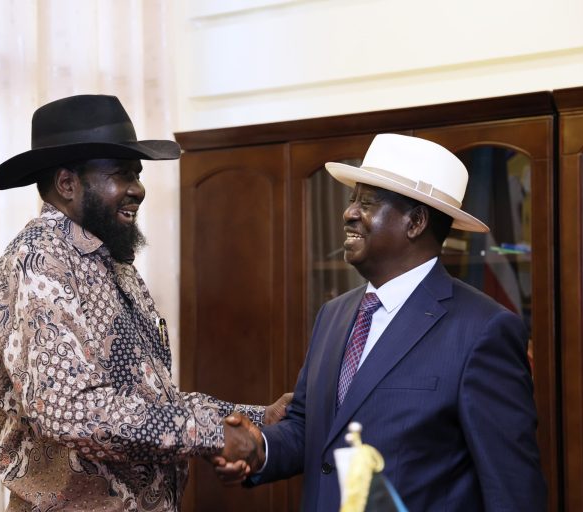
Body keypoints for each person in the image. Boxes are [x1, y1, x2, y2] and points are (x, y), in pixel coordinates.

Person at [0, 94, 283, 511]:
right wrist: (213, 435)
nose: (137, 190)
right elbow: (73, 411)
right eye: (122, 175)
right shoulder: (40, 262)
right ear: (68, 184)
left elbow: (153, 401)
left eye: (137, 175)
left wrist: (259, 416)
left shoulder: (112, 264)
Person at [215, 133, 547, 511]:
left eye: (367, 202)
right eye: (353, 199)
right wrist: (259, 449)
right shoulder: (333, 315)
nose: (349, 213)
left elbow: (513, 489)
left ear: (416, 221)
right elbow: (312, 428)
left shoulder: (483, 329)